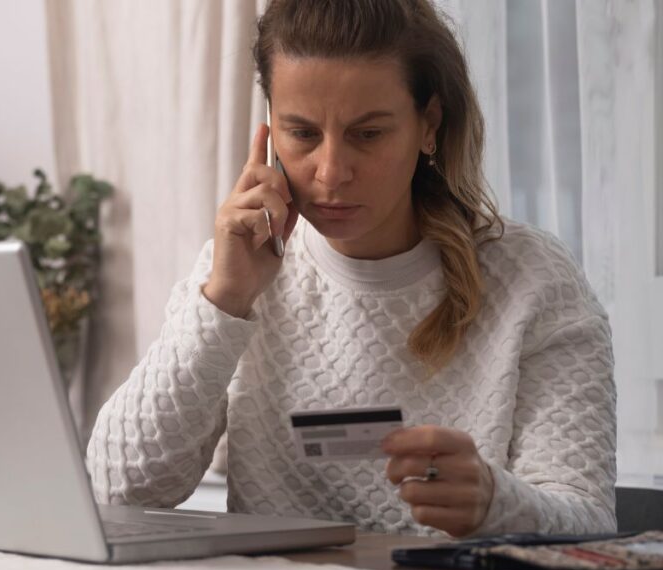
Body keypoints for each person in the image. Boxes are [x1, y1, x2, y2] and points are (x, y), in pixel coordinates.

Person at [85, 0, 616, 537]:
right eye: (303, 134)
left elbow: (588, 520)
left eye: (368, 134)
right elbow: (118, 489)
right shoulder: (238, 273)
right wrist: (224, 299)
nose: (332, 173)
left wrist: (494, 503)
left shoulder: (534, 282)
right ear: (269, 129)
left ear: (428, 125)